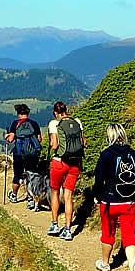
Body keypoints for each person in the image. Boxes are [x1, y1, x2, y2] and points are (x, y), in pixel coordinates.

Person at [92, 123, 135, 271]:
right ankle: (132, 270)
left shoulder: (106, 154)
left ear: (110, 136)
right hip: (130, 201)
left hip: (110, 201)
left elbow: (98, 179)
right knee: (129, 235)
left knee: (108, 232)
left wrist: (97, 196)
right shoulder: (133, 154)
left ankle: (105, 264)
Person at [46, 101, 86, 240]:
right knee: (69, 196)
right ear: (67, 111)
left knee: (55, 191)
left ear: (56, 113)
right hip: (75, 163)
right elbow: (84, 143)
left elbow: (54, 145)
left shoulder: (54, 124)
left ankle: (55, 224)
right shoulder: (77, 122)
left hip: (59, 162)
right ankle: (68, 229)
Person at [3, 103, 42, 208]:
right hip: (32, 154)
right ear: (28, 112)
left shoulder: (15, 123)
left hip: (19, 154)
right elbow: (39, 139)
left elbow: (10, 139)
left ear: (18, 113)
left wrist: (6, 136)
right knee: (31, 175)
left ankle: (14, 196)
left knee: (18, 175)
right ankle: (30, 199)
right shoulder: (34, 124)